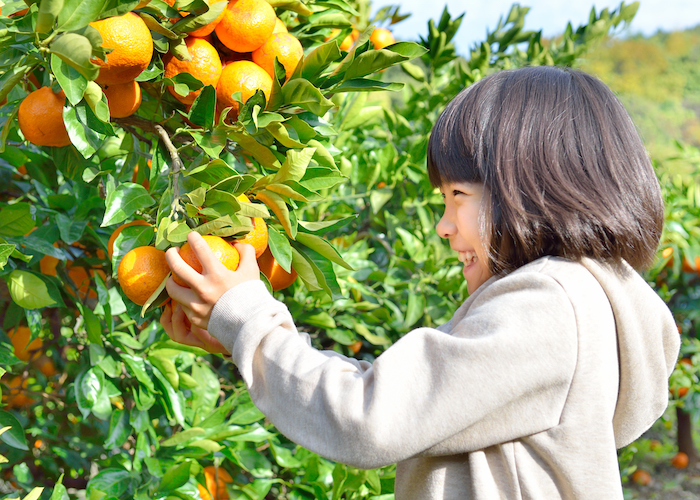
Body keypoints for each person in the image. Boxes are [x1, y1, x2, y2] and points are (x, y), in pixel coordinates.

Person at [161, 66, 681, 499]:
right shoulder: (583, 302)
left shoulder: (550, 303)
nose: (444, 225)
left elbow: (367, 417)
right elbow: (396, 399)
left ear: (536, 186)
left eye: (458, 195)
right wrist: (247, 340)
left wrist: (251, 319)